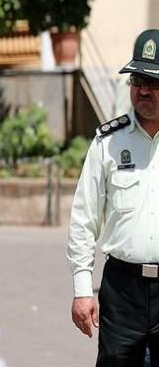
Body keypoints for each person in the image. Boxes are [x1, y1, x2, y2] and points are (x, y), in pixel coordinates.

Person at [68, 29, 159, 365]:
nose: (143, 90)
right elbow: (83, 220)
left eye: (153, 82)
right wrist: (81, 290)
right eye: (137, 81)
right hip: (123, 291)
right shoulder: (108, 142)